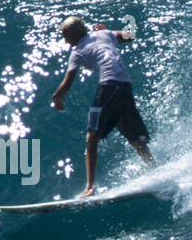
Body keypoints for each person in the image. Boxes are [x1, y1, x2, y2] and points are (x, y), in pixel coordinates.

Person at [50, 17, 155, 198]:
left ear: (73, 35)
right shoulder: (103, 34)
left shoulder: (78, 52)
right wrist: (109, 30)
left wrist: (56, 96)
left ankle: (90, 188)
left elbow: (68, 82)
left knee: (92, 137)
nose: (65, 40)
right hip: (125, 86)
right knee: (135, 138)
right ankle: (155, 170)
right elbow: (131, 36)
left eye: (65, 36)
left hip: (108, 86)